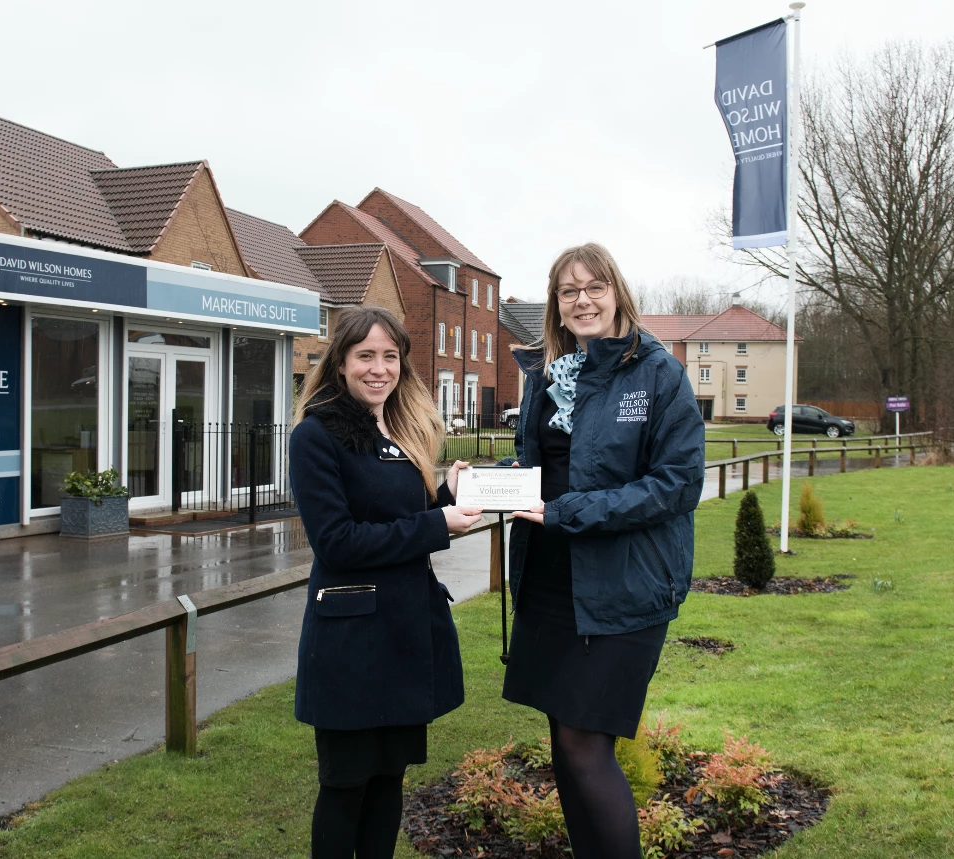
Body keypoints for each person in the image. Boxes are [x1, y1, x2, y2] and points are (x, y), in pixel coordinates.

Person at [501, 243, 705, 858]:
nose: (583, 300)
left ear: (617, 293)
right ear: (556, 304)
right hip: (550, 580)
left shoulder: (657, 373)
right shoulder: (546, 377)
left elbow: (678, 484)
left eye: (594, 287)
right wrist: (482, 484)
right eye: (569, 291)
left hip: (624, 586)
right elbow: (539, 468)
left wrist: (570, 512)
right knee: (564, 745)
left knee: (586, 746)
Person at [289, 305, 484, 859]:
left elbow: (400, 520)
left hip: (404, 632)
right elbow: (338, 542)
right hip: (351, 641)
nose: (379, 369)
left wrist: (445, 497)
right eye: (365, 356)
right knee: (345, 784)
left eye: (390, 356)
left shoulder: (396, 428)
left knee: (388, 779)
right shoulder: (316, 435)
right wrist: (437, 523)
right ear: (340, 363)